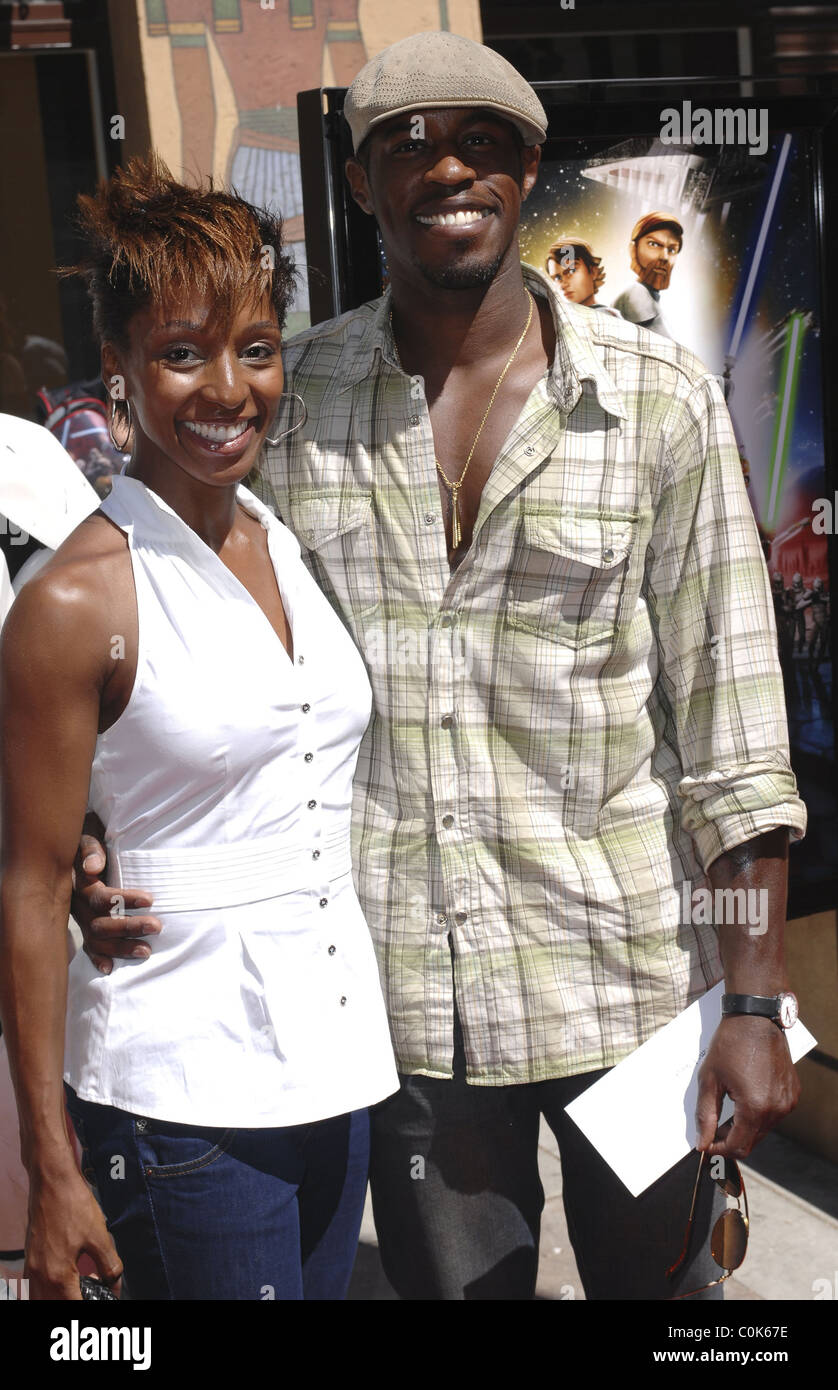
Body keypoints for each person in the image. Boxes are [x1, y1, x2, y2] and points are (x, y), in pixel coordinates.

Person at [75, 32, 806, 1302]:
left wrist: (750, 1004)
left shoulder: (660, 405)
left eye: (484, 143)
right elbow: (156, 622)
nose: (448, 169)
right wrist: (97, 822)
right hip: (408, 1010)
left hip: (630, 985)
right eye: (408, 145)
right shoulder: (289, 402)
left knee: (675, 1317)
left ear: (528, 171)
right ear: (362, 183)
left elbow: (733, 738)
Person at [0, 154, 397, 1301]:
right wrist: (51, 1169)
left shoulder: (287, 536)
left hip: (334, 1069)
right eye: (180, 353)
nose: (226, 388)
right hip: (180, 1098)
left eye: (254, 348)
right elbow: (24, 885)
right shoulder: (79, 599)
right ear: (118, 369)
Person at [611, 211, 683, 338]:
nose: (664, 257)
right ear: (634, 249)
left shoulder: (648, 297)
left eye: (672, 250)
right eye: (654, 244)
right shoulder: (635, 295)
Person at [545, 235, 620, 316]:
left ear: (593, 271)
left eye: (571, 271)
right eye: (557, 277)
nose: (562, 285)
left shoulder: (607, 316)